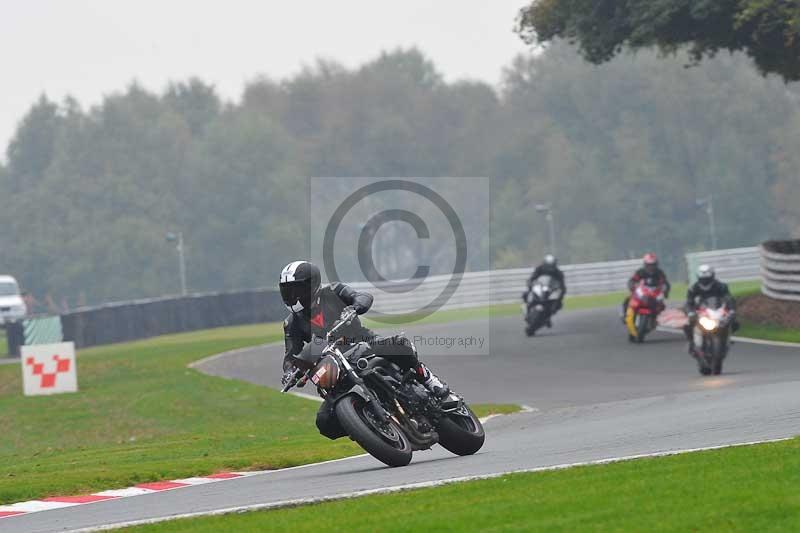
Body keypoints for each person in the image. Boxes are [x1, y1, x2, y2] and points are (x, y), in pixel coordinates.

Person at [278, 260, 456, 439]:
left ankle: (430, 381)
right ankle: (365, 424)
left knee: (400, 345)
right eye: (287, 291)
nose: (292, 295)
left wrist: (356, 306)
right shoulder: (292, 323)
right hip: (333, 363)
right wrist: (290, 371)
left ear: (312, 284)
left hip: (362, 342)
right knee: (324, 422)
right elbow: (291, 355)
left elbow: (362, 296)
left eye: (296, 290)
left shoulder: (333, 291)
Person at [683, 264, 738, 355]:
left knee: (735, 322)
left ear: (712, 276)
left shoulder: (721, 286)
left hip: (716, 310)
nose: (705, 281)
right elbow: (689, 302)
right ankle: (691, 342)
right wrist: (690, 312)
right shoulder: (694, 288)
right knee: (687, 324)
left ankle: (727, 338)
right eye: (703, 279)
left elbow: (729, 298)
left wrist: (732, 310)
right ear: (698, 277)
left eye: (707, 279)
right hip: (701, 311)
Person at [621, 253, 671, 318]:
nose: (651, 267)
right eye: (649, 265)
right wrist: (632, 286)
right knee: (628, 299)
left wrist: (665, 291)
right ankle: (624, 314)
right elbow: (632, 280)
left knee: (662, 306)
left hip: (655, 292)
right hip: (643, 291)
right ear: (645, 264)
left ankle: (658, 320)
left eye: (653, 265)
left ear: (656, 264)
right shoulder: (640, 272)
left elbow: (665, 283)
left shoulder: (660, 273)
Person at [525, 254, 566, 328]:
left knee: (558, 303)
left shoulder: (558, 272)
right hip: (540, 287)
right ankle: (527, 311)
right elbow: (533, 277)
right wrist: (530, 283)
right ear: (544, 263)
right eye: (548, 265)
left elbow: (562, 284)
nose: (549, 267)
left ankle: (548, 317)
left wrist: (561, 290)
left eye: (551, 265)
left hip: (551, 290)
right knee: (526, 294)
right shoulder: (540, 269)